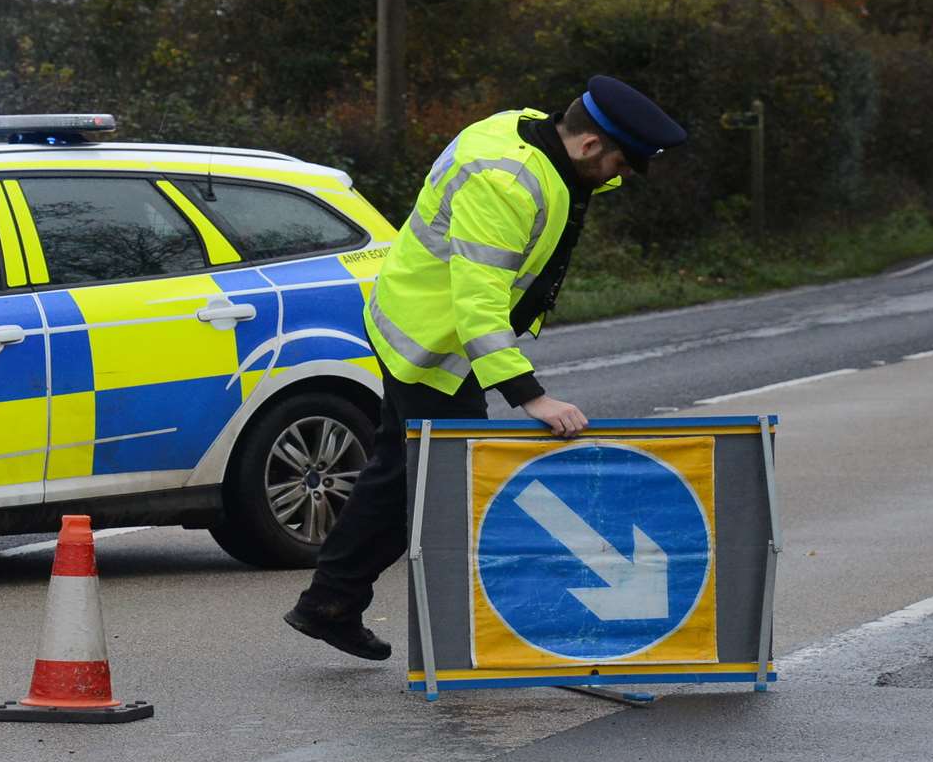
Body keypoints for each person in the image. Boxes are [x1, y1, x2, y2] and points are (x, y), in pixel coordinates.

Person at [284, 76, 688, 660]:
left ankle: (330, 602)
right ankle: (474, 642)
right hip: (432, 343)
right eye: (622, 162)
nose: (621, 178)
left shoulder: (530, 133)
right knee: (451, 486)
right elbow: (478, 302)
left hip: (419, 320)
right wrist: (530, 396)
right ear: (590, 145)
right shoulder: (506, 181)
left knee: (403, 474)